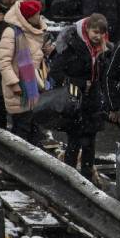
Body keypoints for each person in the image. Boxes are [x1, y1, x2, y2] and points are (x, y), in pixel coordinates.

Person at [48, 14, 111, 181]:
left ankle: (87, 178)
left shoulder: (104, 49)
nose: (98, 36)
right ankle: (70, 179)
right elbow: (55, 71)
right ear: (87, 29)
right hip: (75, 99)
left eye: (101, 33)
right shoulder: (72, 45)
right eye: (95, 32)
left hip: (93, 101)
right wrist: (79, 83)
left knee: (90, 142)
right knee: (74, 142)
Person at [0, 0, 51, 144]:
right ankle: (18, 163)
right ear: (28, 17)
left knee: (35, 129)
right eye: (37, 14)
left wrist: (45, 52)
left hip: (34, 88)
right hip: (20, 89)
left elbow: (35, 58)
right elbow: (3, 62)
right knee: (22, 129)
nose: (39, 17)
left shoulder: (36, 31)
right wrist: (14, 83)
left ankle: (34, 163)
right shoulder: (11, 33)